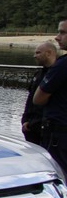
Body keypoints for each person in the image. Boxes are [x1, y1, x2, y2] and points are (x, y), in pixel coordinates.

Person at [33, 20, 67, 172]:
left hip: (58, 134)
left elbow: (38, 99)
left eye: (63, 32)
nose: (57, 37)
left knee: (55, 174)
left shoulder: (62, 65)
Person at [21, 41, 58, 144]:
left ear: (48, 53)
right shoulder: (39, 74)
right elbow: (30, 98)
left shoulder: (57, 74)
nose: (34, 56)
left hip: (46, 126)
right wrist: (24, 120)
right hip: (30, 126)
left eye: (38, 53)